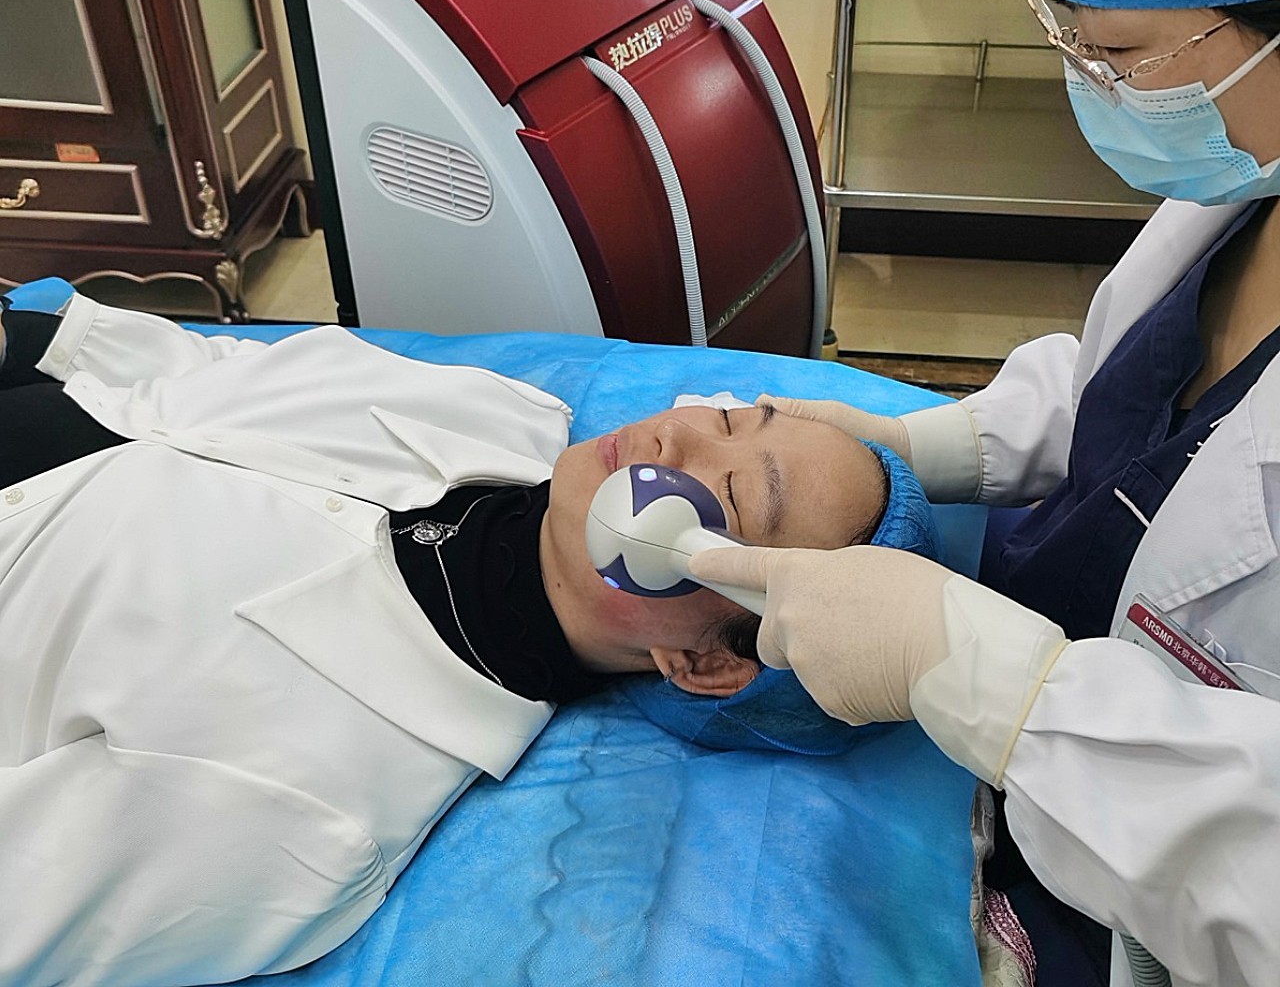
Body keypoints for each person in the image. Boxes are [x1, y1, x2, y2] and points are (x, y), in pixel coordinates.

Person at [692, 0, 1280, 985]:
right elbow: (1157, 401)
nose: (1089, 82)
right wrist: (930, 442)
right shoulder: (1248, 177)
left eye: (1116, 51)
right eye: (1067, 32)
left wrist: (1002, 695)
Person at [0, 292, 892, 987]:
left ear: (707, 662)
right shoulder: (504, 415)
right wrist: (32, 335)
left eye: (730, 495)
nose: (675, 434)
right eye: (726, 421)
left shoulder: (307, 811)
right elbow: (206, 370)